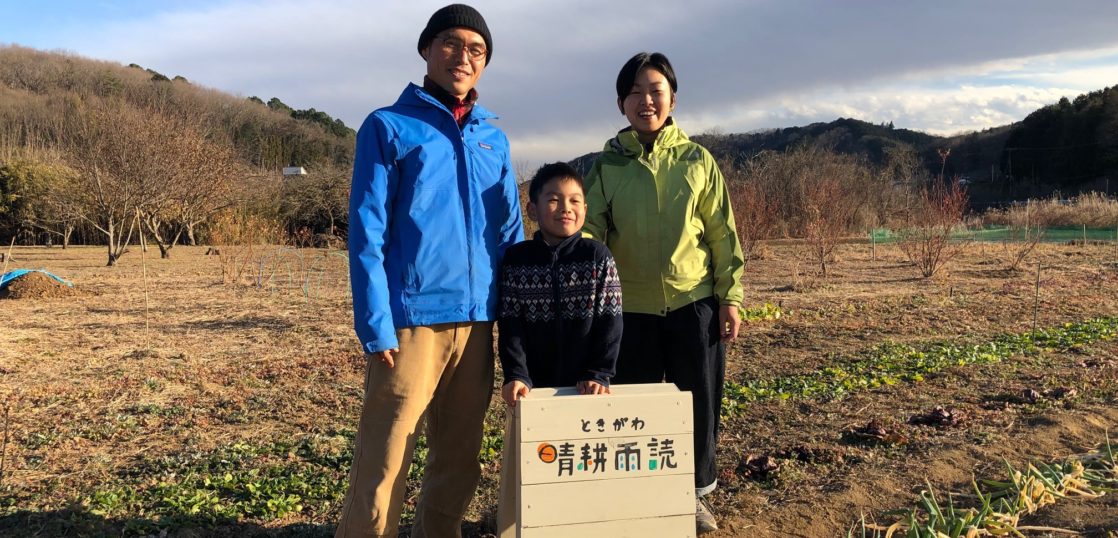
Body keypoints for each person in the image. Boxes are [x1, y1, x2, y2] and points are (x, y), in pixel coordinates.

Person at [337, 4, 523, 537]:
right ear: (426, 49)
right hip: (410, 323)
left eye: (476, 50)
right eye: (450, 43)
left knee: (460, 460)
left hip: (480, 321)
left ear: (484, 63)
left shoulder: (494, 138)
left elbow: (510, 236)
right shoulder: (388, 126)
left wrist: (515, 321)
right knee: (386, 455)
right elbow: (366, 233)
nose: (462, 57)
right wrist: (375, 323)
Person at [582, 51, 745, 535]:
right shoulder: (607, 166)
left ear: (672, 98)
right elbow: (589, 231)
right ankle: (640, 494)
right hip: (628, 308)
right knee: (636, 406)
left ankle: (694, 495)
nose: (646, 100)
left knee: (698, 400)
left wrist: (730, 295)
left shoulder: (697, 160)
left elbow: (721, 234)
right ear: (620, 103)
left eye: (655, 90)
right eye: (635, 92)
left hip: (693, 303)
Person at [495, 162, 623, 538]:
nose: (565, 208)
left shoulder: (597, 257)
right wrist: (516, 374)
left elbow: (611, 321)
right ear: (532, 208)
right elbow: (512, 324)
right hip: (535, 389)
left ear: (585, 209)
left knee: (584, 459)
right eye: (552, 199)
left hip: (585, 387)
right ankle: (523, 527)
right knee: (533, 461)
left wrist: (600, 372)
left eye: (574, 200)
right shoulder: (517, 261)